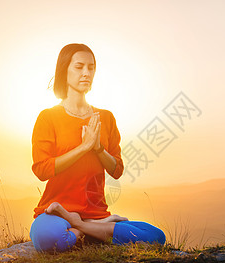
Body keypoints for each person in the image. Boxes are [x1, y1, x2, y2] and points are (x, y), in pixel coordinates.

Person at [29, 43, 166, 252]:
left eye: (91, 67)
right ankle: (98, 228)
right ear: (64, 70)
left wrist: (99, 148)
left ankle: (84, 227)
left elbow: (117, 170)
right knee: (51, 241)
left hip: (95, 212)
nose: (86, 73)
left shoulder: (106, 118)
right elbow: (42, 170)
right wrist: (84, 147)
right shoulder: (48, 117)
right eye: (79, 67)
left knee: (156, 237)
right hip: (55, 212)